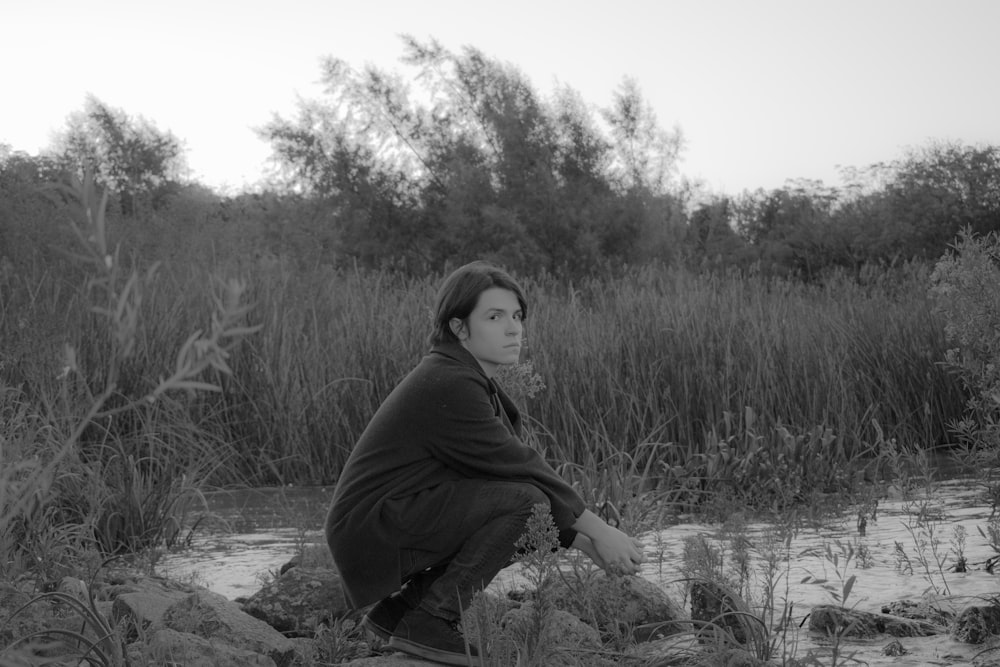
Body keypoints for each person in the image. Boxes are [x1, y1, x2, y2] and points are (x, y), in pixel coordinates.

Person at [325, 260, 645, 666]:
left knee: (527, 508)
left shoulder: (466, 377)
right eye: (494, 317)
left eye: (516, 316)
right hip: (373, 526)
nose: (513, 329)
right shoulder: (449, 382)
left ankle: (400, 612)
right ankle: (432, 619)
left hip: (390, 520)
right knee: (526, 502)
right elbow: (520, 466)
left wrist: (583, 542)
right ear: (459, 328)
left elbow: (497, 480)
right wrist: (599, 530)